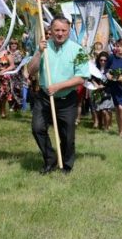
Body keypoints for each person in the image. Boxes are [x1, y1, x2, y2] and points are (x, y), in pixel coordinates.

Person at [27, 17, 89, 175]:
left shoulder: (79, 50)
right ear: (50, 31)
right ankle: (50, 159)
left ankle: (67, 165)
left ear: (69, 31)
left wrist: (59, 86)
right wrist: (39, 53)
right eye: (57, 30)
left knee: (67, 136)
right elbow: (31, 71)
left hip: (67, 99)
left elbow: (81, 77)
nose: (60, 33)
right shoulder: (42, 47)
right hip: (44, 98)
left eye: (64, 30)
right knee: (37, 128)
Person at [88, 51, 114, 131]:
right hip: (97, 92)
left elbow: (112, 80)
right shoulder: (95, 69)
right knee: (98, 110)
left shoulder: (110, 69)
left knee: (105, 110)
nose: (103, 62)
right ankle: (100, 124)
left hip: (107, 92)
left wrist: (103, 86)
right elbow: (90, 78)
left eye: (105, 60)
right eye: (101, 60)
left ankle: (106, 127)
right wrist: (95, 84)